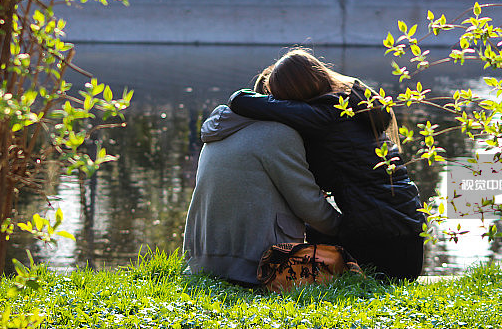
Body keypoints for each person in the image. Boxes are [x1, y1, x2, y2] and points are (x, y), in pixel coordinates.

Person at [228, 49, 425, 281]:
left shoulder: (323, 115)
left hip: (382, 248)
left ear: (291, 94)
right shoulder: (351, 104)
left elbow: (239, 100)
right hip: (410, 242)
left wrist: (275, 104)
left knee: (303, 232)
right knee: (316, 225)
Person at [182, 69, 341, 286]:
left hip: (202, 262)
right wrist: (346, 228)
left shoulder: (220, 128)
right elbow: (309, 205)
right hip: (258, 265)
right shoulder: (278, 133)